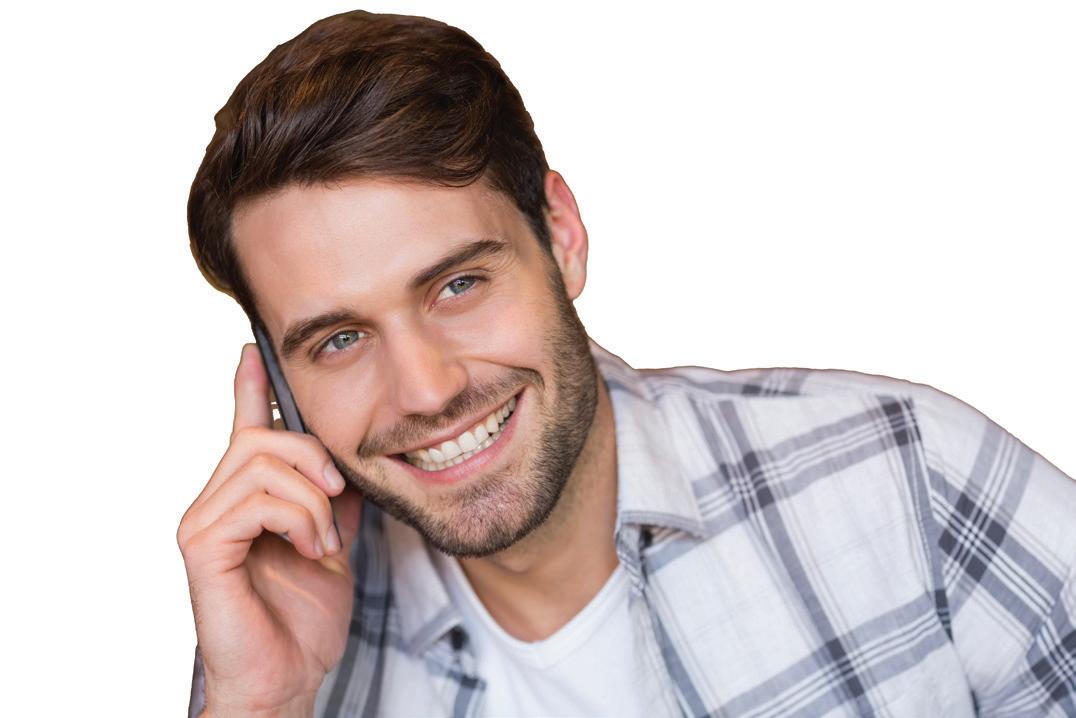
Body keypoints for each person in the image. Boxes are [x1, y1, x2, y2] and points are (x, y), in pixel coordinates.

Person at [178, 9, 1076, 717]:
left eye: (458, 285)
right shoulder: (278, 629)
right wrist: (259, 706)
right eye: (339, 340)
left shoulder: (905, 475)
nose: (426, 390)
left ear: (561, 236)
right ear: (280, 384)